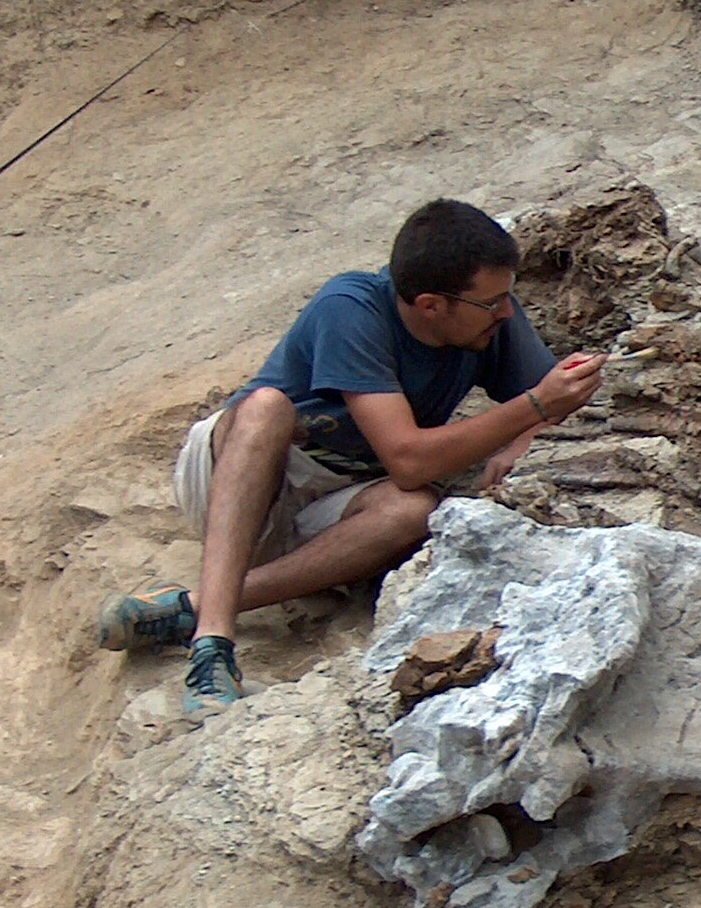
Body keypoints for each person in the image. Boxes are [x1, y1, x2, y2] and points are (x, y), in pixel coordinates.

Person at [98, 199, 605, 718]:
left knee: (414, 509)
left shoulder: (487, 320)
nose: (505, 312)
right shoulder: (351, 307)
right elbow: (408, 458)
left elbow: (556, 393)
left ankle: (193, 606)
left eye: (507, 297)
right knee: (267, 408)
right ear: (431, 305)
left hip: (339, 498)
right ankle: (212, 644)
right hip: (245, 474)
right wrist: (535, 406)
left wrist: (530, 429)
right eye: (491, 302)